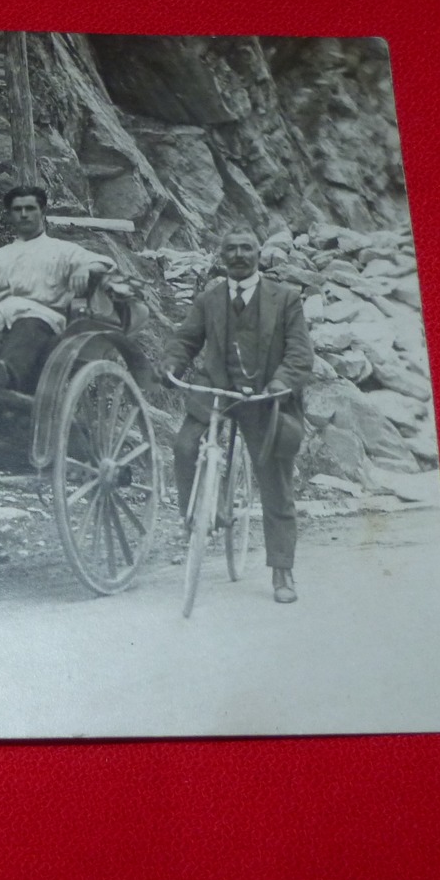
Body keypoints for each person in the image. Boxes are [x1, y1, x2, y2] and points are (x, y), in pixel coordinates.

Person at [165, 226, 314, 603]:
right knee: (184, 446)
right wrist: (172, 366)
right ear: (220, 256)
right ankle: (196, 518)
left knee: (274, 483)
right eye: (230, 249)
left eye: (246, 248)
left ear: (259, 253)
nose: (238, 255)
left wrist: (280, 383)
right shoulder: (209, 298)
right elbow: (186, 339)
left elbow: (299, 354)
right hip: (217, 391)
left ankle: (282, 571)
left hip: (266, 398)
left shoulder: (286, 299)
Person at [0, 185, 117, 394]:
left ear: (42, 211)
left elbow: (105, 263)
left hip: (42, 323)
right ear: (9, 215)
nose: (24, 214)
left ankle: (5, 376)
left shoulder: (62, 250)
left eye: (30, 208)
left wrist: (84, 268)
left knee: (28, 324)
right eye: (17, 209)